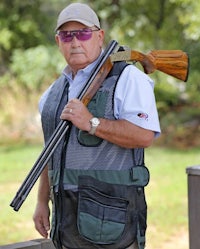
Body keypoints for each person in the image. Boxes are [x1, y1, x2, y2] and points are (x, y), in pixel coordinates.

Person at [33, 2, 161, 249]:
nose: (75, 42)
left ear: (99, 37)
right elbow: (50, 152)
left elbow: (145, 136)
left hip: (114, 225)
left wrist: (91, 122)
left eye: (82, 33)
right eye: (66, 35)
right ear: (58, 42)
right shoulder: (51, 95)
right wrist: (41, 202)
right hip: (66, 225)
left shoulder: (128, 77)